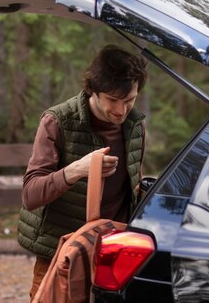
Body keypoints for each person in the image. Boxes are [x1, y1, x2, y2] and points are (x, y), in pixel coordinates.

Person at [17, 45, 148, 301]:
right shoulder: (58, 121)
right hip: (60, 252)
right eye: (112, 100)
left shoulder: (135, 124)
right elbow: (30, 195)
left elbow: (133, 183)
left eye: (129, 100)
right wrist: (78, 169)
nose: (121, 110)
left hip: (113, 251)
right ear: (93, 90)